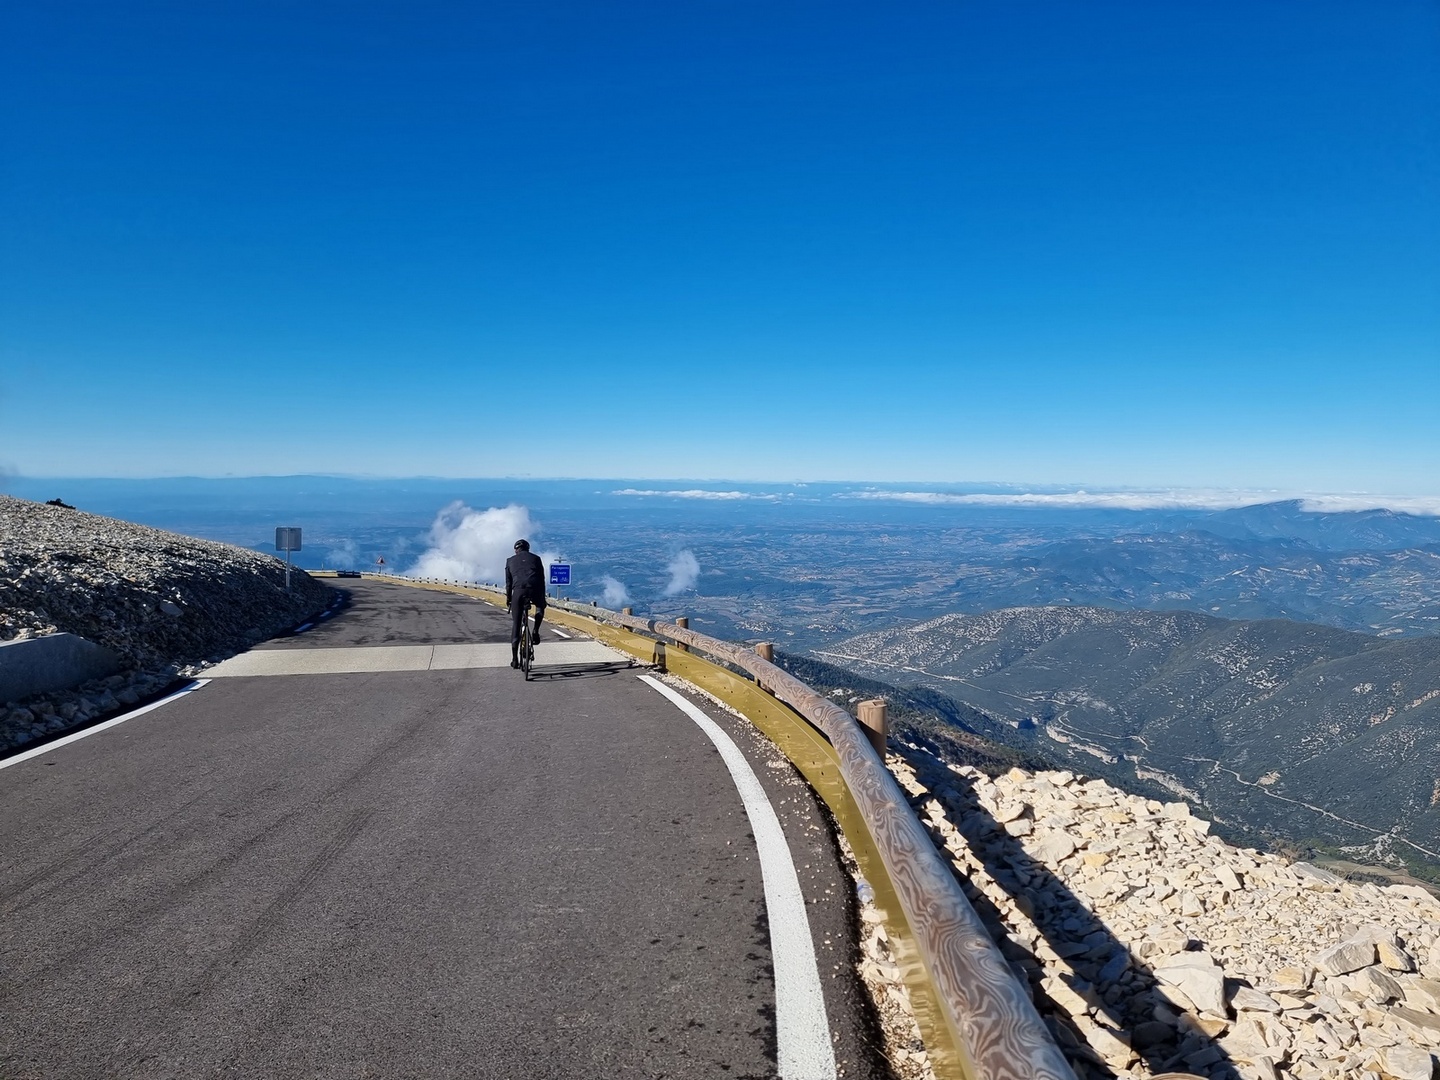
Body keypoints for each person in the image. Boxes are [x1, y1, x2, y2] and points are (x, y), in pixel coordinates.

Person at [505, 539, 547, 669]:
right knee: (540, 607)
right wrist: (542, 598)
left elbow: (508, 583)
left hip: (518, 592)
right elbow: (542, 579)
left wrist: (509, 599)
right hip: (535, 589)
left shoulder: (510, 561)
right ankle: (535, 631)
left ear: (516, 550)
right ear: (527, 549)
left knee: (516, 625)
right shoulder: (536, 558)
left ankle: (514, 659)